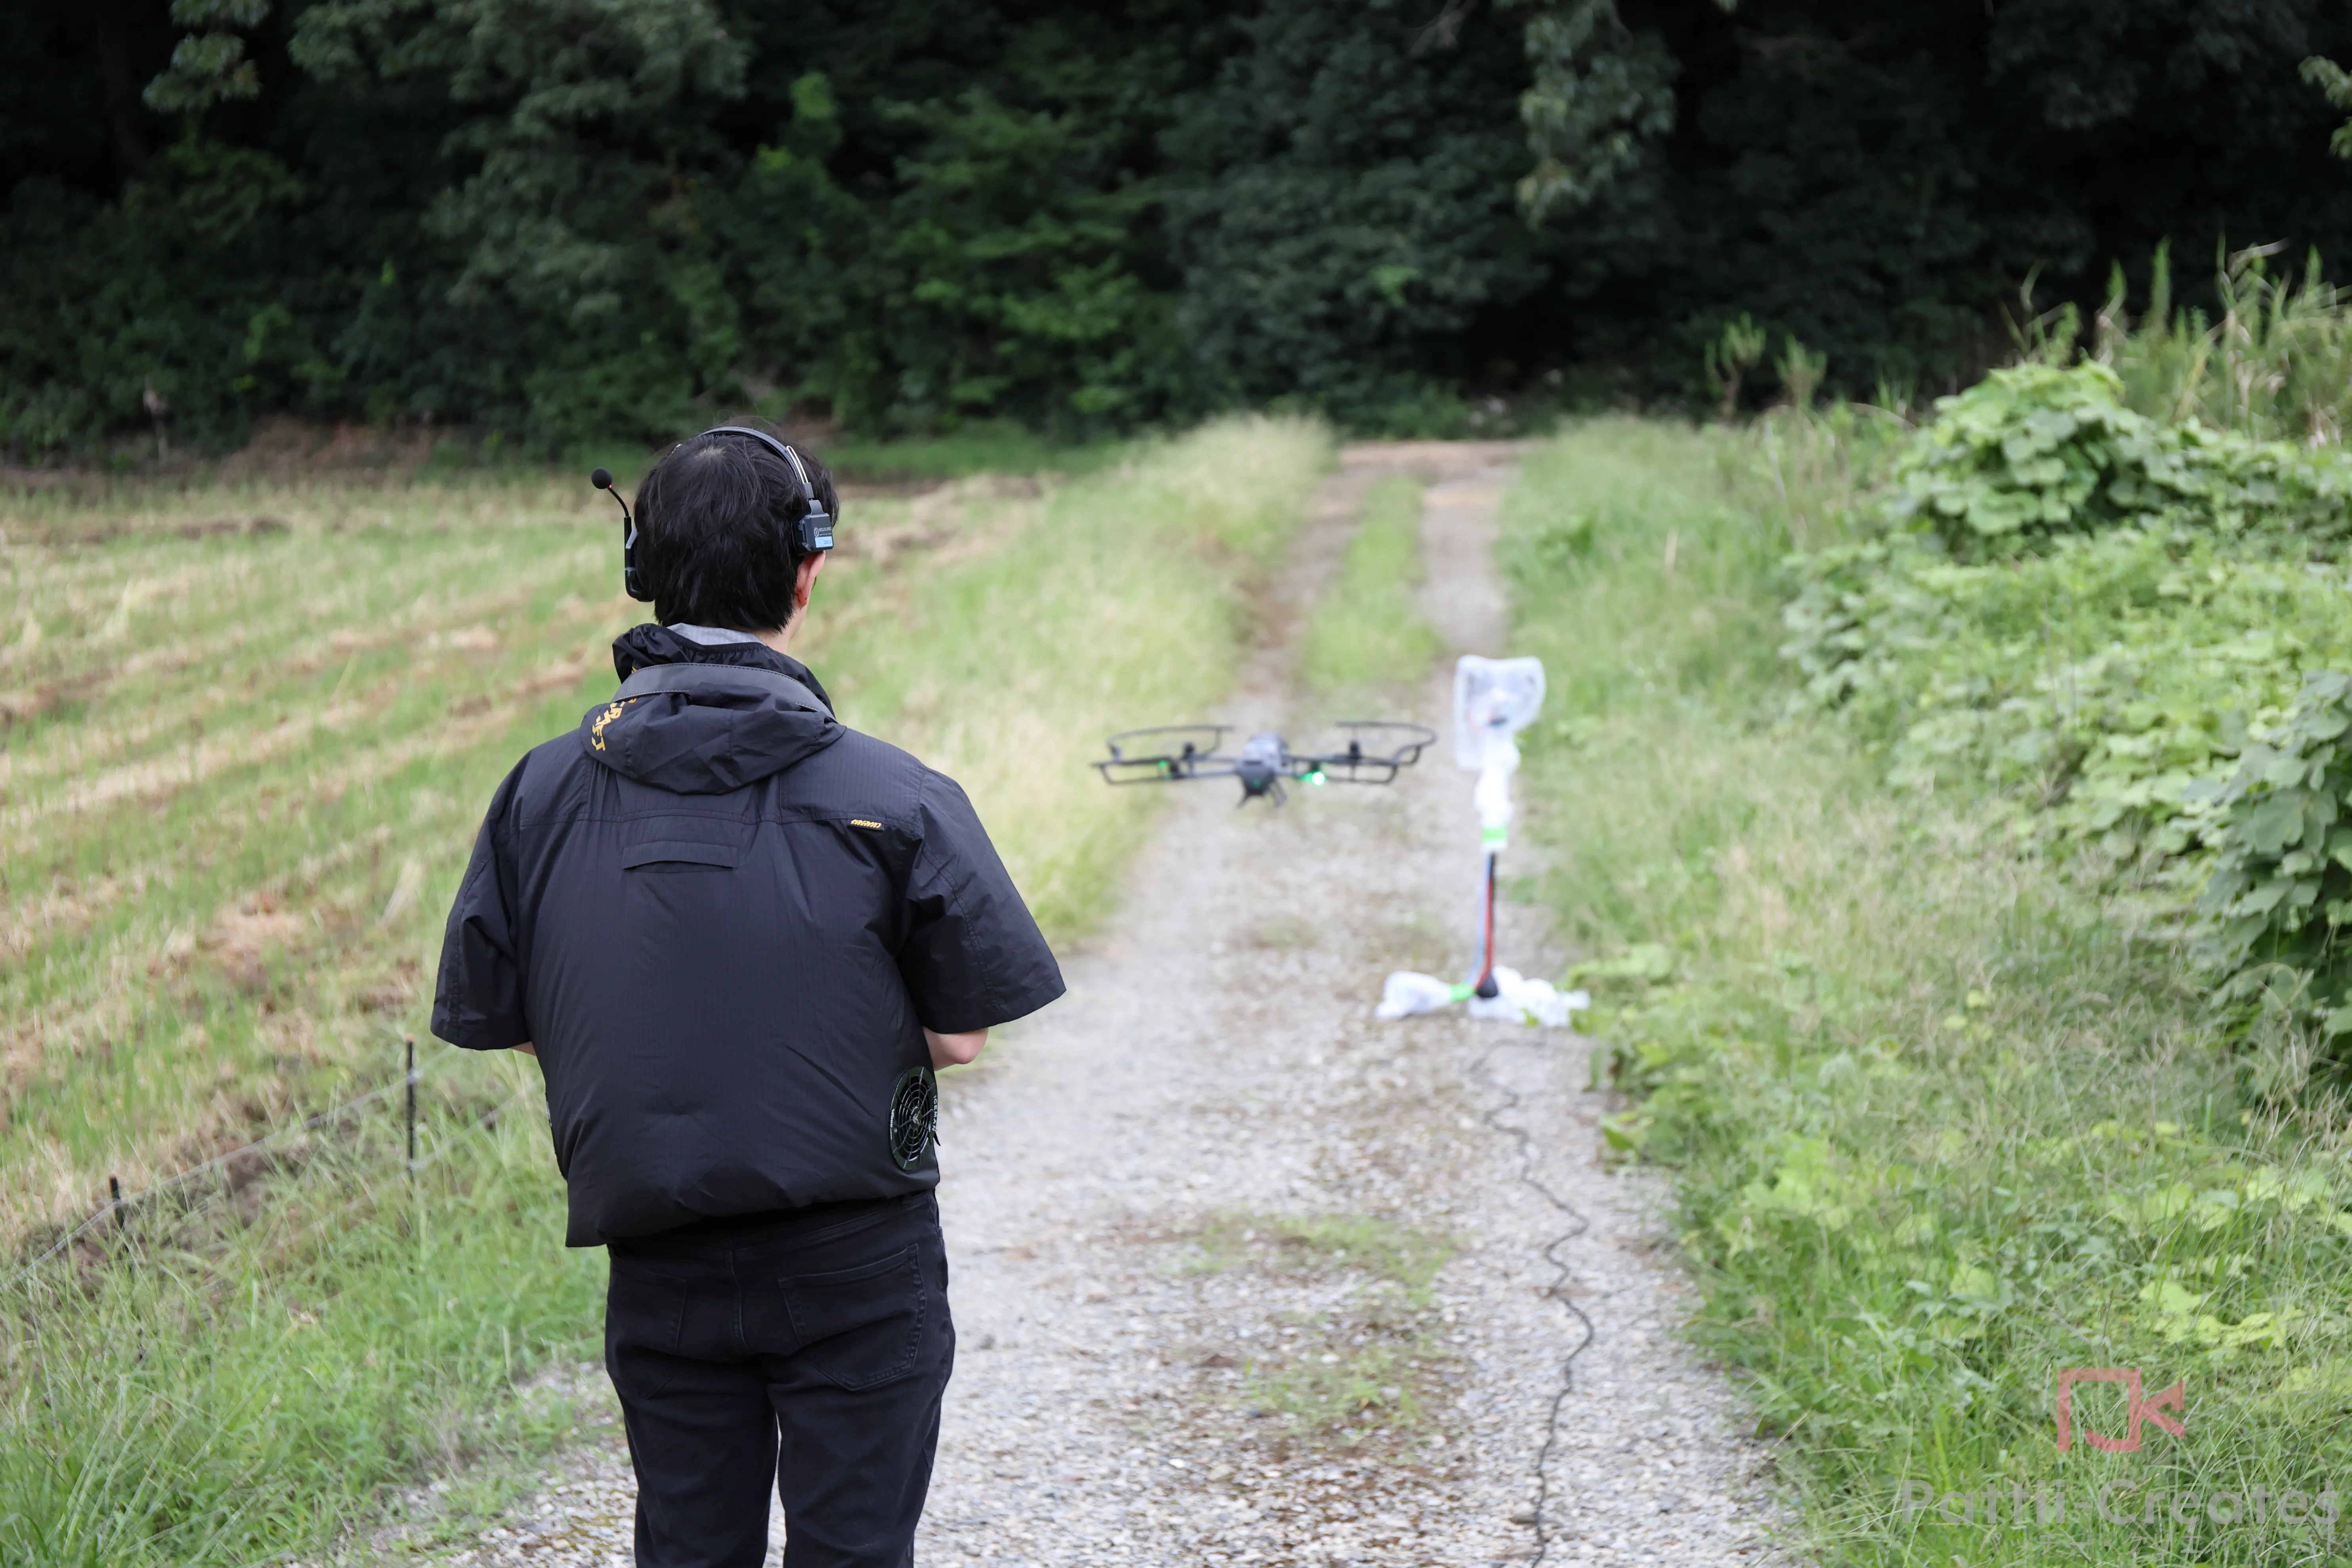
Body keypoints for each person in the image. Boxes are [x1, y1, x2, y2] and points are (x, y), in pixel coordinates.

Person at [431, 420, 1065, 1568]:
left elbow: (520, 1022)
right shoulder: (897, 794)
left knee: (687, 1547)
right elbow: (960, 1035)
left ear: (641, 568)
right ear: (807, 574)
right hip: (857, 1258)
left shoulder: (537, 794)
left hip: (658, 1256)